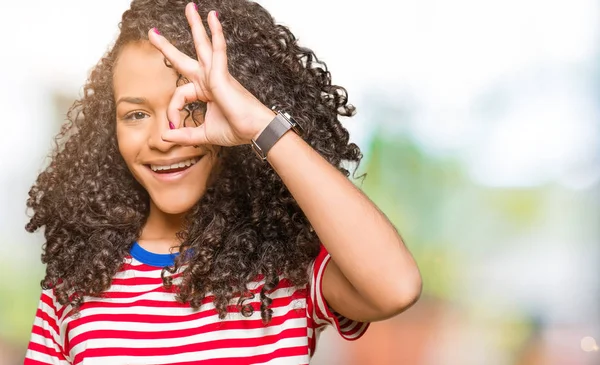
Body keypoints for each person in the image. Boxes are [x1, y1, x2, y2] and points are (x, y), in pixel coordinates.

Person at [23, 0, 422, 364]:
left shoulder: (288, 268)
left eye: (193, 105)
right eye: (136, 114)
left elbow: (396, 288)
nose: (165, 137)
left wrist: (260, 126)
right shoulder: (73, 289)